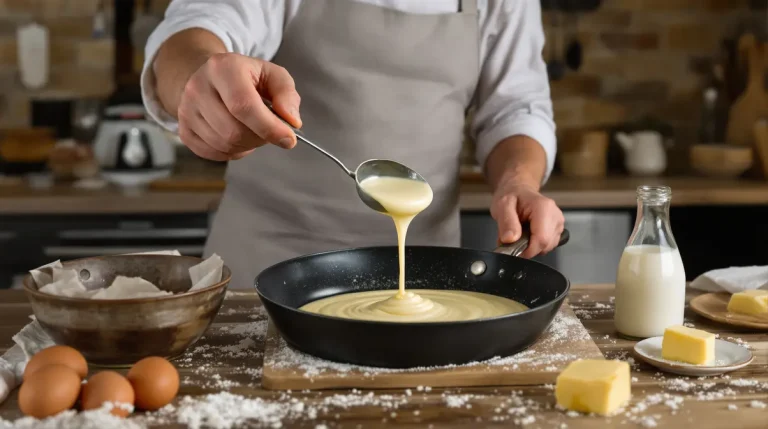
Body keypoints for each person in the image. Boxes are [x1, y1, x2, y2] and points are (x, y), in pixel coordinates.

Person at [142, 0, 565, 289]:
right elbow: (194, 33)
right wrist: (200, 77)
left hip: (427, 275)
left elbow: (515, 106)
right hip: (262, 273)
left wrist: (518, 181)